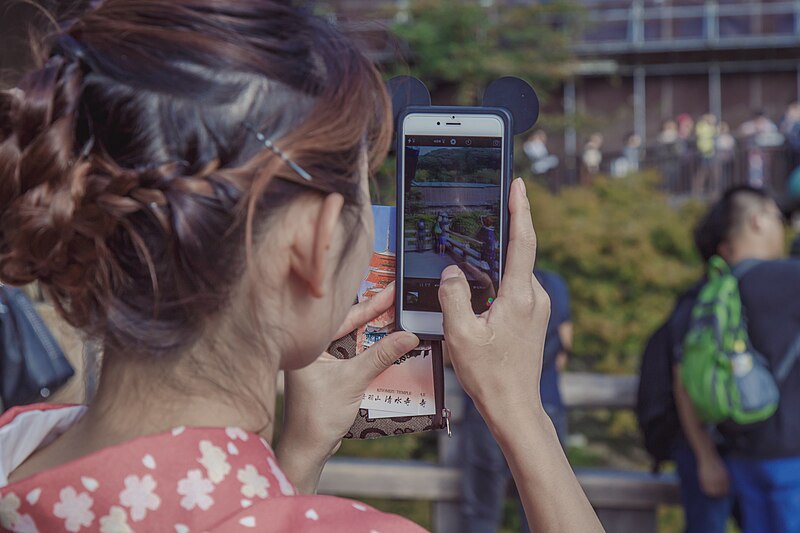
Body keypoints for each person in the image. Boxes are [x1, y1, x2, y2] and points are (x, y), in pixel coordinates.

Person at [0, 2, 603, 532]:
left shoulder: (17, 441)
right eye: (368, 194)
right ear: (314, 243)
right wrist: (522, 414)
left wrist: (301, 454)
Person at [673, 186, 800, 533]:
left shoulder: (710, 291)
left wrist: (705, 456)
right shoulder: (791, 279)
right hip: (793, 457)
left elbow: (683, 379)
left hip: (741, 456)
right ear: (758, 221)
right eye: (778, 218)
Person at [461, 268, 572, 533]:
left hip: (485, 407)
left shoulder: (478, 282)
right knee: (545, 505)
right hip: (545, 403)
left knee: (482, 509)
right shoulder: (553, 284)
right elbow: (565, 345)